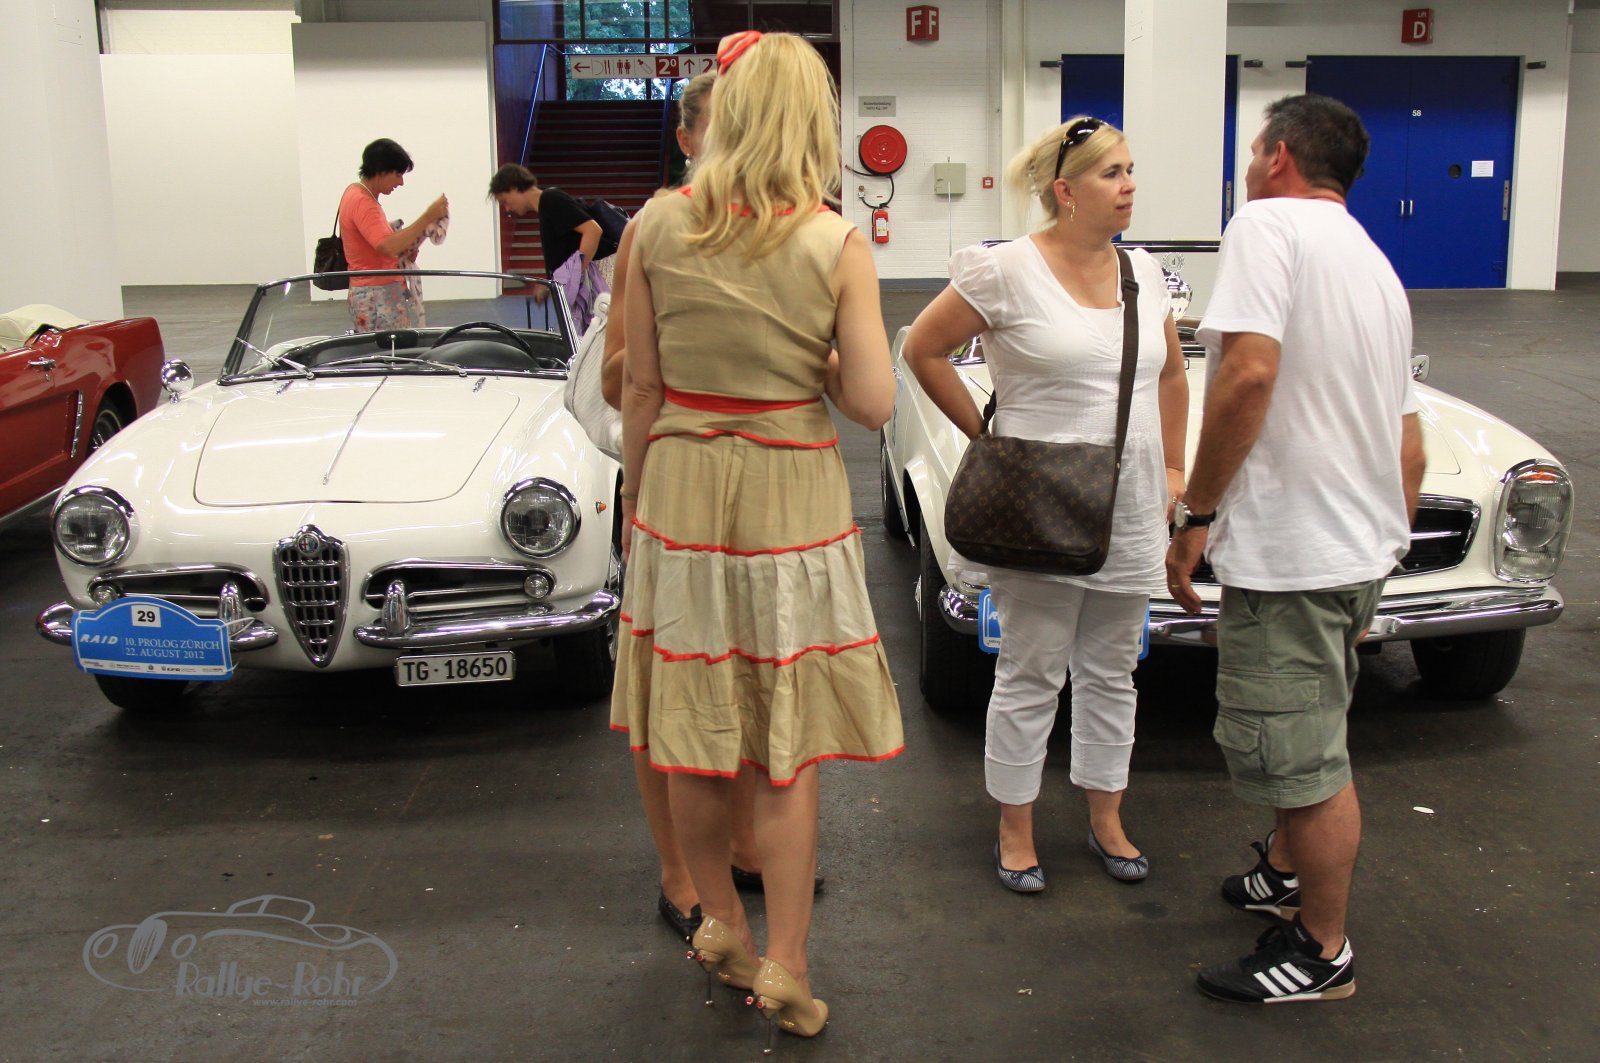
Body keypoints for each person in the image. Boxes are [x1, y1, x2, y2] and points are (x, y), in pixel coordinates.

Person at [610, 30, 902, 1043]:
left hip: (681, 494)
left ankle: (720, 923)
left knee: (693, 737)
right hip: (790, 498)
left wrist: (641, 508)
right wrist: (813, 358)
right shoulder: (832, 242)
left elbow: (637, 387)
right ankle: (790, 962)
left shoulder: (655, 225)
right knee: (785, 749)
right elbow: (873, 401)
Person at [1165, 93, 1427, 1004]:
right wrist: (1381, 548)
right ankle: (1284, 872)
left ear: (1278, 155)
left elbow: (1247, 372)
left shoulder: (1267, 225)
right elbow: (1409, 436)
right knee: (1308, 727)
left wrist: (1196, 514)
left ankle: (1322, 949)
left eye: (1252, 151)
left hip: (1298, 556)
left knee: (1305, 761)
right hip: (1353, 550)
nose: (1248, 166)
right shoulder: (1374, 263)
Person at [904, 118, 1187, 895]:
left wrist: (1174, 466)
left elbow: (1169, 375)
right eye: (1111, 173)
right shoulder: (1005, 271)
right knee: (1031, 669)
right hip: (1038, 505)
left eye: (1130, 169)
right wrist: (984, 435)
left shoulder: (1145, 273)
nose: (1129, 185)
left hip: (1128, 504)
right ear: (1066, 191)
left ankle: (1106, 815)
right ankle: (1016, 825)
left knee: (1113, 670)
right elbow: (923, 349)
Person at [596, 72, 821, 948]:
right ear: (688, 139)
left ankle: (743, 847)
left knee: (753, 671)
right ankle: (680, 872)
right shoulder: (657, 226)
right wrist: (700, 337)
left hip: (756, 485)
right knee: (676, 688)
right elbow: (620, 377)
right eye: (727, 125)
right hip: (678, 480)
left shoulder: (792, 226)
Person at [339, 138, 448, 331]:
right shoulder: (363, 202)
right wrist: (428, 217)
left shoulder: (357, 195)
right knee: (390, 348)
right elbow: (388, 246)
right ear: (381, 171)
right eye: (397, 175)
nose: (401, 182)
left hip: (376, 292)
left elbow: (384, 244)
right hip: (377, 295)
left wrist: (406, 246)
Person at [487, 164, 602, 303]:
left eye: (504, 201)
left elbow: (593, 230)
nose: (507, 208)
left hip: (591, 290)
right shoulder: (546, 207)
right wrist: (551, 284)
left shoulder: (550, 199)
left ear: (514, 188)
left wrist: (573, 276)